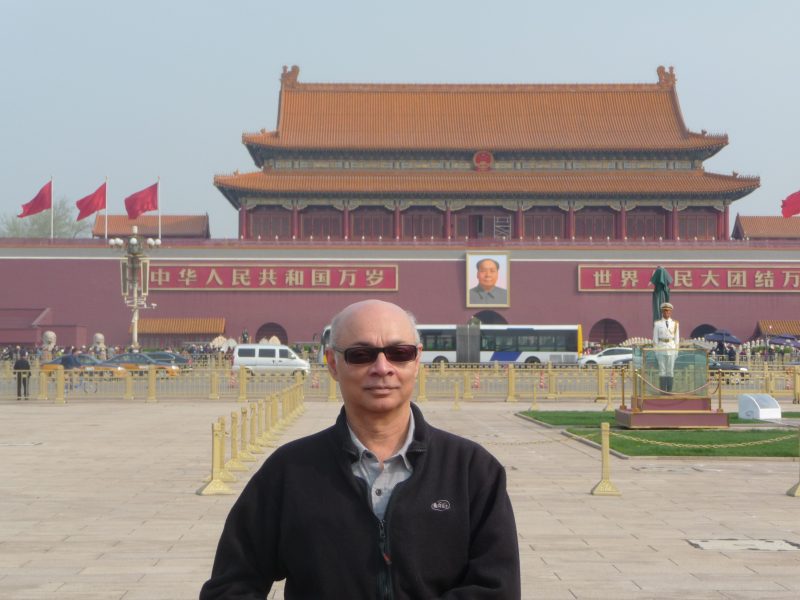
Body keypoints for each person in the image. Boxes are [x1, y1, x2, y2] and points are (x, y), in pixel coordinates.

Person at [200, 299, 521, 599]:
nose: (382, 368)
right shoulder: (290, 471)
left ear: (417, 359)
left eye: (399, 353)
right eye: (361, 355)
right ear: (332, 363)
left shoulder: (471, 471)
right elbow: (231, 584)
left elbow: (497, 589)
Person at [652, 301, 679, 393]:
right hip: (661, 348)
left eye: (668, 311)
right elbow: (655, 339)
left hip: (671, 348)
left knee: (670, 370)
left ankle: (669, 391)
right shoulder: (657, 324)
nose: (666, 313)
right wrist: (656, 351)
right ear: (662, 312)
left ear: (671, 312)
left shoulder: (675, 324)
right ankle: (663, 391)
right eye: (665, 311)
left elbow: (677, 339)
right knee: (662, 370)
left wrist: (676, 351)